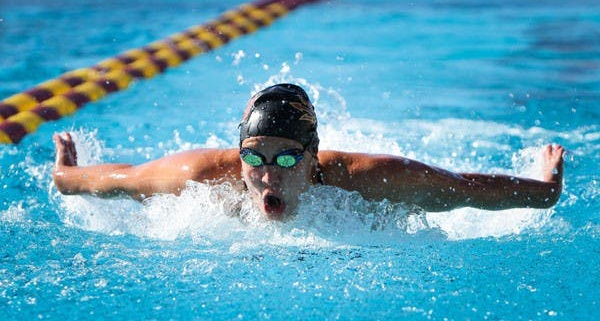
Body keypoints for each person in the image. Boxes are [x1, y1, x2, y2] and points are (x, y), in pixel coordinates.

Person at [53, 83, 565, 220]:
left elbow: (463, 189)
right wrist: (66, 174)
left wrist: (544, 189)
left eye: (286, 158)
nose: (267, 174)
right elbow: (116, 178)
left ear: (313, 156)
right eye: (253, 157)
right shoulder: (205, 176)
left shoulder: (367, 179)